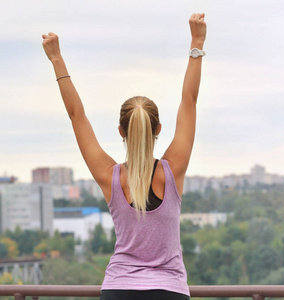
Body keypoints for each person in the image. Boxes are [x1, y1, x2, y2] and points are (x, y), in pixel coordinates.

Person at [42, 13, 207, 300]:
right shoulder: (173, 170)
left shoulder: (110, 177)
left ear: (121, 131)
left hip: (119, 290)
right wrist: (197, 42)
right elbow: (189, 101)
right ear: (157, 129)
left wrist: (56, 58)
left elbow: (75, 115)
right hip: (168, 291)